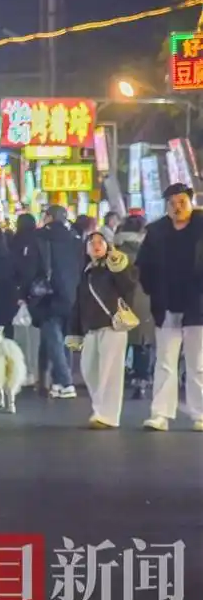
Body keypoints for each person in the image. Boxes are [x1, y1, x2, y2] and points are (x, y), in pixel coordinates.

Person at [137, 183, 203, 431]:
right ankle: (160, 414)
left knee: (198, 363)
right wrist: (152, 290)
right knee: (165, 361)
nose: (177, 208)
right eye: (172, 204)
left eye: (182, 202)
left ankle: (199, 414)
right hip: (166, 305)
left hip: (198, 304)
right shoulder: (156, 232)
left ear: (191, 202)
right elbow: (142, 265)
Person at [69, 231, 137, 429]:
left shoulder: (115, 266)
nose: (96, 246)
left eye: (101, 242)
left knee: (110, 372)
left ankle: (107, 415)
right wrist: (74, 331)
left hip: (112, 326)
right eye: (92, 243)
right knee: (89, 369)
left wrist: (119, 267)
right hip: (91, 328)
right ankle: (100, 409)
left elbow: (129, 287)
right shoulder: (86, 271)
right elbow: (79, 303)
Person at [29, 205, 84, 399]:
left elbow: (33, 267)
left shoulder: (40, 237)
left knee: (54, 339)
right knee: (62, 339)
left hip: (48, 294)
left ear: (49, 217)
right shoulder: (76, 239)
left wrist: (27, 292)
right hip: (71, 294)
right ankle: (58, 382)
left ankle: (66, 382)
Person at [113, 216, 155, 399]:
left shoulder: (115, 250)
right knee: (142, 343)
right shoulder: (151, 249)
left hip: (118, 300)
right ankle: (142, 380)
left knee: (118, 342)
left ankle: (116, 379)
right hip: (145, 299)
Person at [9, 213, 42, 383]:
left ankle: (24, 371)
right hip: (37, 293)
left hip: (19, 292)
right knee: (34, 335)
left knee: (21, 335)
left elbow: (16, 267)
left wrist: (20, 294)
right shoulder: (39, 239)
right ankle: (34, 371)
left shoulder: (16, 241)